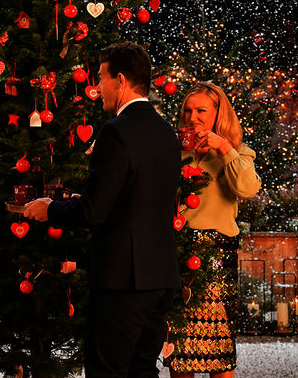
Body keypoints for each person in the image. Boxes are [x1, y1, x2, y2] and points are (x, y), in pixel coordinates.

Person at [25, 42, 181, 378]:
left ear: (120, 81)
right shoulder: (167, 132)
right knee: (143, 373)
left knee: (107, 373)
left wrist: (50, 209)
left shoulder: (115, 132)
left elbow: (93, 212)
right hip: (161, 277)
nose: (97, 87)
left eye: (100, 77)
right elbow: (139, 198)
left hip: (121, 281)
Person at [166, 82, 261, 378]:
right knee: (180, 352)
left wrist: (224, 148)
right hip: (177, 252)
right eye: (188, 110)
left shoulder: (239, 154)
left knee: (218, 351)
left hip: (216, 258)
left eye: (201, 111)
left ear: (219, 114)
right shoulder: (175, 152)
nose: (192, 117)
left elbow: (246, 188)